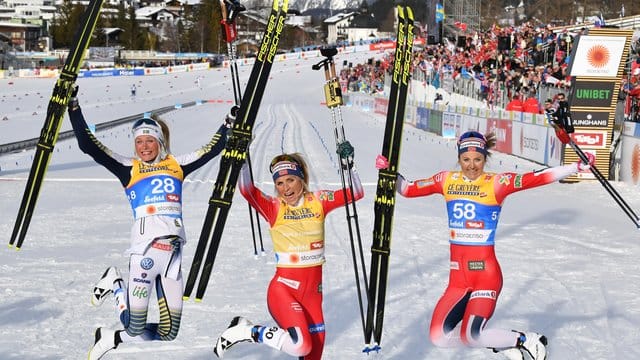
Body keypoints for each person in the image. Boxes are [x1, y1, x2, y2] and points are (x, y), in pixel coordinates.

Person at [375, 130, 594, 360]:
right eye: (466, 159)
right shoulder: (446, 180)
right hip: (458, 281)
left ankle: (526, 340)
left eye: (477, 159)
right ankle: (501, 343)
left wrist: (574, 167)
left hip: (485, 277)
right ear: (459, 158)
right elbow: (408, 189)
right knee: (438, 337)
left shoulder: (497, 183)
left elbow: (535, 178)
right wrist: (388, 171)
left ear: (485, 158)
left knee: (471, 335)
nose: (471, 166)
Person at [66, 86, 232, 360]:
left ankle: (111, 337)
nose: (143, 147)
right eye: (139, 142)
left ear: (160, 143)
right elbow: (88, 145)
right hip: (144, 254)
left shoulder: (176, 165)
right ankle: (116, 285)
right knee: (135, 325)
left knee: (169, 332)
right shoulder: (128, 168)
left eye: (149, 141)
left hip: (173, 258)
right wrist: (74, 108)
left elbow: (212, 149)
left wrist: (229, 124)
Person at [213, 148, 364, 359]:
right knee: (300, 345)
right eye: (279, 183)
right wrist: (243, 159)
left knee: (313, 353)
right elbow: (247, 190)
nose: (285, 188)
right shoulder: (274, 207)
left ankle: (243, 328)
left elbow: (356, 192)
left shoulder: (319, 200)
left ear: (302, 178)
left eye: (290, 180)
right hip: (284, 291)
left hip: (313, 296)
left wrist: (349, 165)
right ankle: (243, 331)